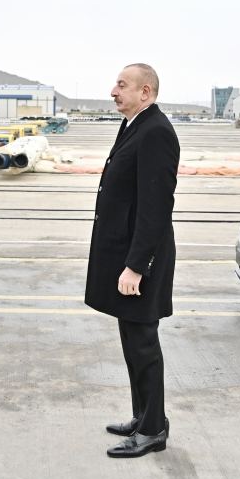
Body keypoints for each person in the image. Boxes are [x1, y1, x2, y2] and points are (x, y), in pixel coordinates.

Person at [84, 63, 179, 458]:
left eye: (121, 85)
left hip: (143, 259)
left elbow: (155, 208)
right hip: (126, 253)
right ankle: (143, 416)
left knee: (143, 343)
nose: (113, 91)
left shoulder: (156, 132)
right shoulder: (134, 125)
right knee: (131, 340)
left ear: (146, 91)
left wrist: (136, 266)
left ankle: (153, 429)